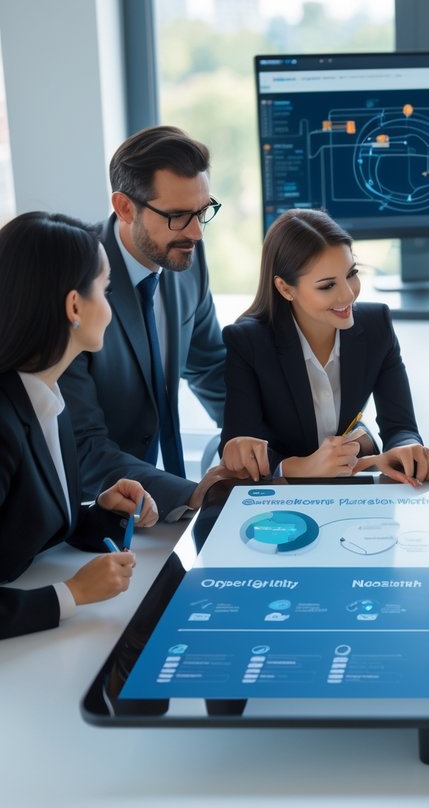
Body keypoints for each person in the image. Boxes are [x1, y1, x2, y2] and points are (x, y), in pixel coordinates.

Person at [1, 213, 158, 639]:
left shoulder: (46, 394)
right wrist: (70, 594)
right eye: (106, 291)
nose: (110, 308)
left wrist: (101, 514)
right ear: (74, 306)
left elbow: (21, 523)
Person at [60, 125, 228, 516]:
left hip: (162, 508)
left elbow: (212, 369)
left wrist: (268, 447)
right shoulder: (73, 284)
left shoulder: (187, 259)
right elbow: (80, 446)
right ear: (124, 207)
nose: (197, 232)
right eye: (177, 216)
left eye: (203, 211)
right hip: (95, 509)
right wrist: (191, 494)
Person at [219, 209, 429, 485]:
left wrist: (405, 449)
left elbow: (401, 427)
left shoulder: (377, 326)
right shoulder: (248, 342)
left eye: (351, 274)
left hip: (347, 491)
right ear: (286, 289)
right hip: (280, 500)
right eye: (327, 286)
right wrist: (301, 467)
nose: (348, 294)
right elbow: (239, 451)